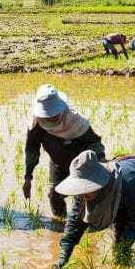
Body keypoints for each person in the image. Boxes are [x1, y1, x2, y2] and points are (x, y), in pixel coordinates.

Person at [22, 85, 105, 218]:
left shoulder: (76, 122)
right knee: (54, 195)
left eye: (53, 116)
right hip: (58, 163)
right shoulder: (36, 125)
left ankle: (87, 226)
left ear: (60, 110)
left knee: (82, 199)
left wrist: (101, 161)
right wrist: (28, 177)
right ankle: (59, 225)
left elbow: (94, 142)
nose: (49, 120)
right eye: (46, 116)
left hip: (81, 166)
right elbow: (32, 150)